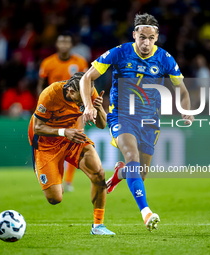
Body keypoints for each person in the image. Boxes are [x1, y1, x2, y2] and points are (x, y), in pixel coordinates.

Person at [80, 13, 194, 232]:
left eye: (151, 38)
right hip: (122, 115)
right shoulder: (119, 52)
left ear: (157, 37)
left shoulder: (165, 59)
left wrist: (186, 110)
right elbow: (87, 78)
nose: (146, 42)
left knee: (139, 173)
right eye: (142, 37)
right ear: (134, 34)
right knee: (131, 156)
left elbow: (182, 90)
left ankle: (120, 173)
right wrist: (88, 106)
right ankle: (147, 212)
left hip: (150, 120)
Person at [28, 72, 114, 235]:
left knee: (99, 173)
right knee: (55, 199)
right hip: (47, 143)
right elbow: (37, 128)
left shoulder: (88, 91)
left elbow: (102, 125)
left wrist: (99, 109)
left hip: (73, 136)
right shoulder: (50, 93)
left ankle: (98, 226)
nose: (84, 103)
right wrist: (63, 132)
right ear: (70, 91)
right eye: (82, 100)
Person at [38, 31, 88, 192]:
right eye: (61, 42)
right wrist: (40, 103)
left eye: (67, 42)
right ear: (57, 45)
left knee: (78, 138)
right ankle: (55, 177)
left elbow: (87, 84)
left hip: (75, 109)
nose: (64, 45)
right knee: (56, 141)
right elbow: (41, 84)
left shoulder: (80, 62)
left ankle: (68, 181)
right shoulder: (48, 63)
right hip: (54, 110)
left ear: (71, 45)